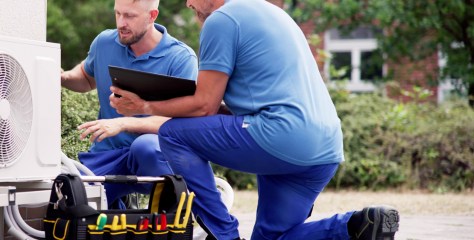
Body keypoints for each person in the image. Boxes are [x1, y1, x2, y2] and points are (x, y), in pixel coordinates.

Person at [109, 0, 400, 239]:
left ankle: (224, 235)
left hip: (279, 135)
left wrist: (144, 105)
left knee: (172, 134)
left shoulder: (220, 20)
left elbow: (204, 107)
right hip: (325, 148)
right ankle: (358, 225)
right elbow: (230, 107)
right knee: (272, 237)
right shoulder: (272, 12)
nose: (188, 3)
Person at [60, 0, 199, 209]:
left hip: (155, 154)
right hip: (107, 154)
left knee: (145, 147)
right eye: (118, 14)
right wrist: (62, 77)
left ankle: (179, 208)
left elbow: (182, 123)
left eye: (130, 16)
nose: (121, 23)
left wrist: (123, 124)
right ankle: (118, 207)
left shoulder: (181, 58)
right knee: (73, 203)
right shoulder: (104, 42)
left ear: (152, 16)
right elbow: (87, 78)